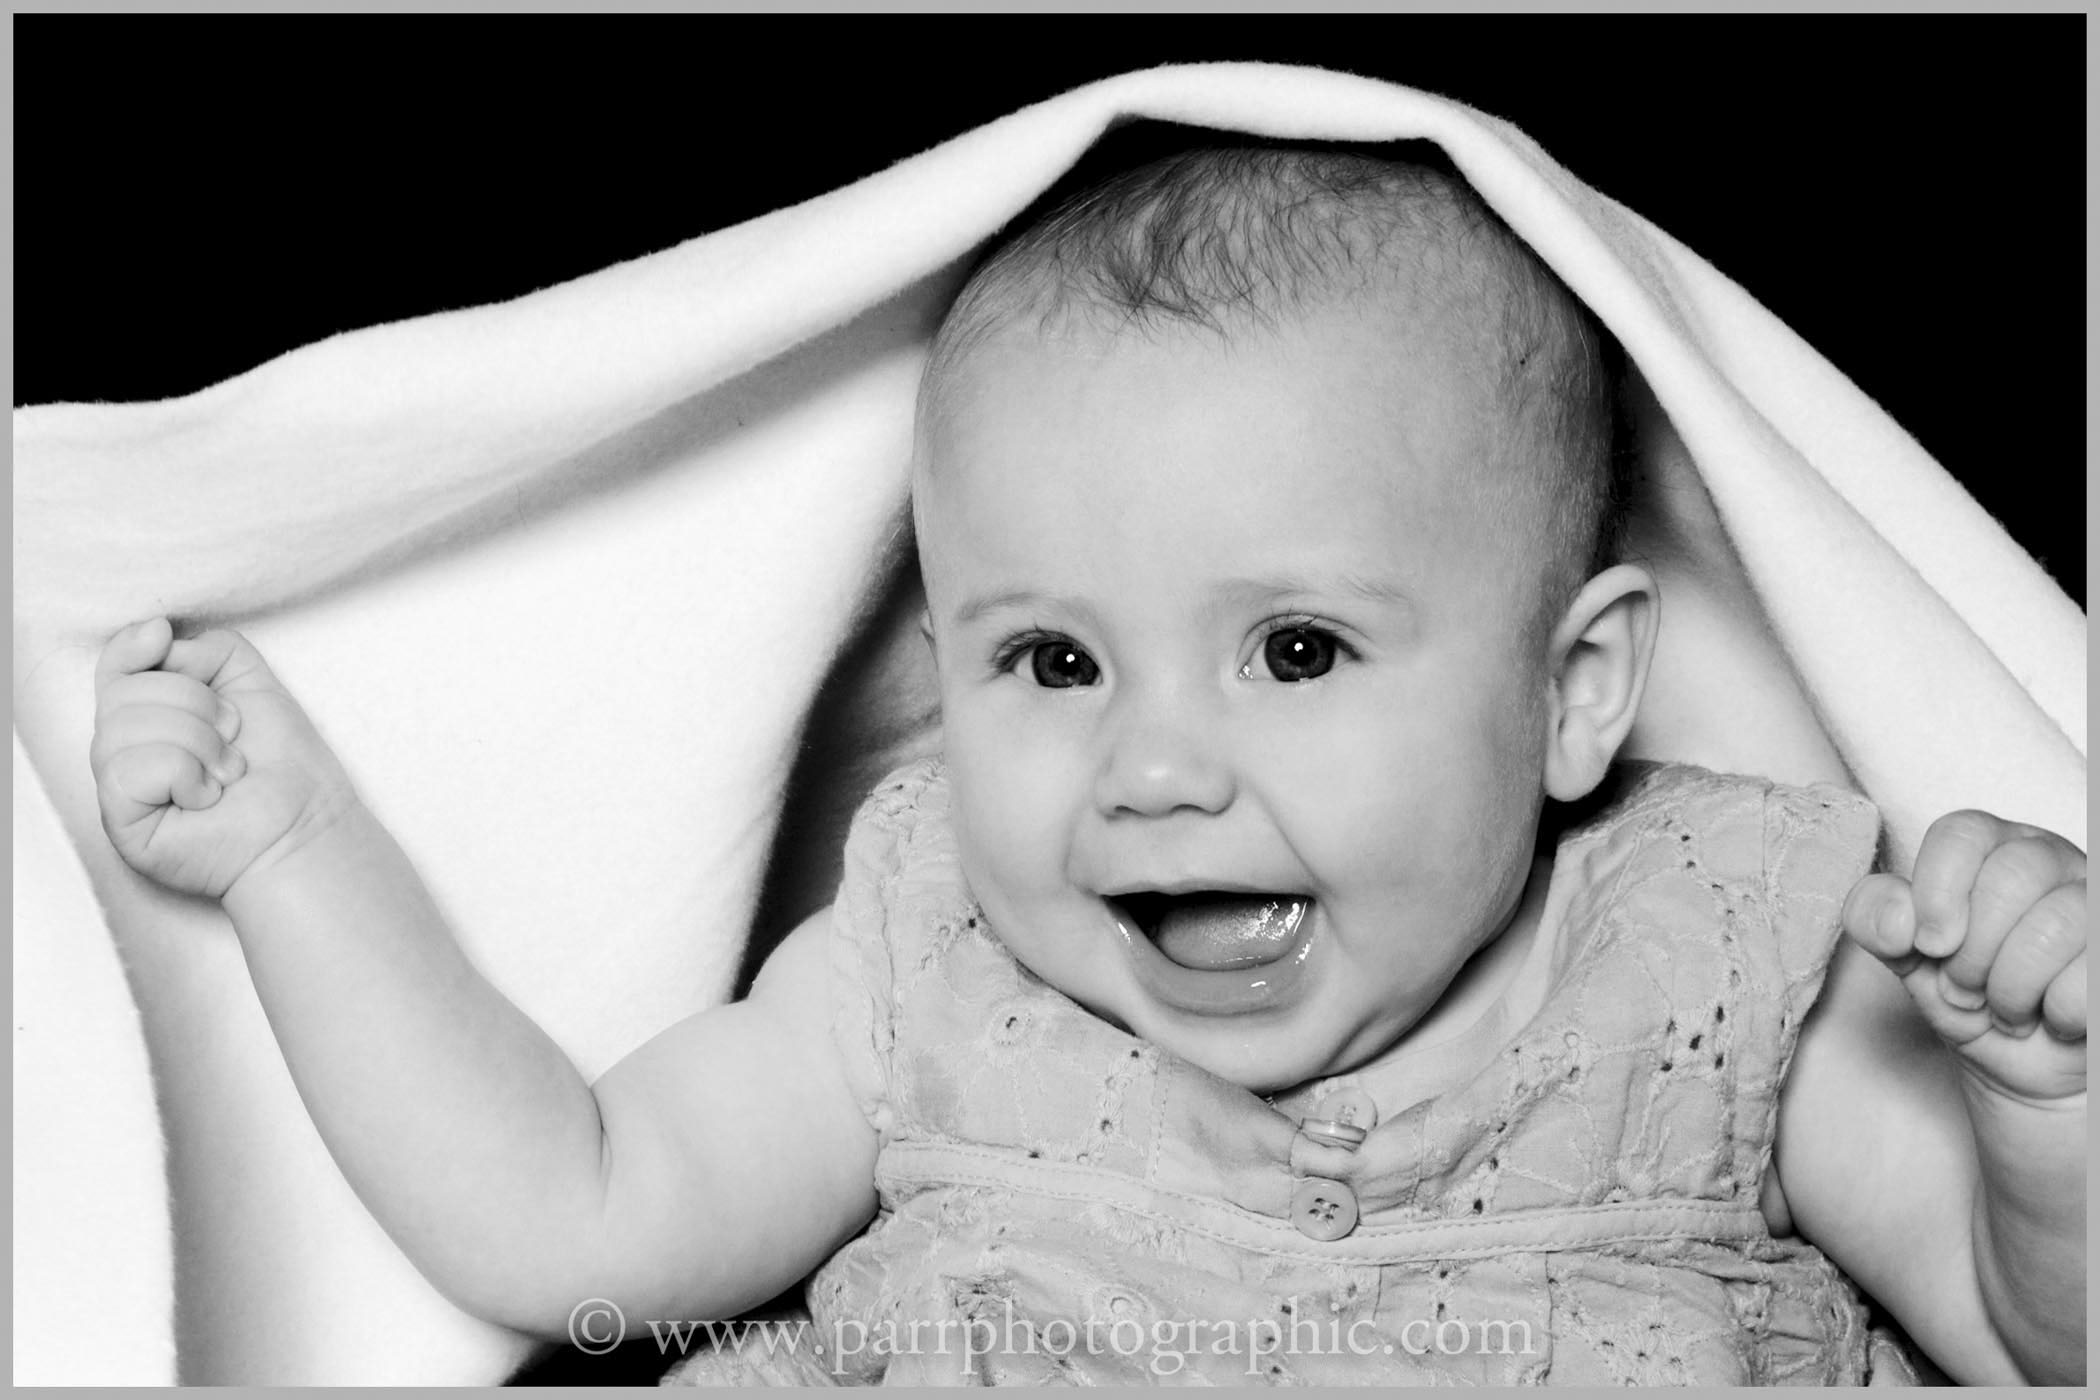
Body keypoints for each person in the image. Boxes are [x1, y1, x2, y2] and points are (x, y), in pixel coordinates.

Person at [87, 141, 2084, 1385]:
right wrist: (301, 853)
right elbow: (574, 1223)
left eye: (1293, 650)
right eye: (1051, 657)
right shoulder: (929, 960)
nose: (1150, 767)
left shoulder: (1721, 951)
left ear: (1574, 692)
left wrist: (2045, 1110)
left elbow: (2037, 1340)